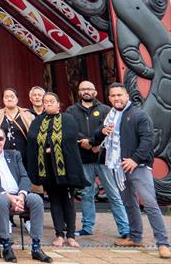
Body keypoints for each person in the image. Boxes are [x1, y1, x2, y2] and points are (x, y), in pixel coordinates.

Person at [95, 83, 170, 259]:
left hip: (138, 167)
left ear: (127, 96)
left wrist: (135, 159)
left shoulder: (139, 115)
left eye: (119, 95)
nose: (116, 98)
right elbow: (98, 134)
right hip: (118, 167)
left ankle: (163, 243)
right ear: (109, 98)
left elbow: (147, 141)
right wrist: (102, 131)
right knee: (129, 203)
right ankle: (135, 237)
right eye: (113, 96)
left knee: (150, 204)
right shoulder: (110, 116)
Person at [66, 80, 129, 238]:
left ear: (95, 92)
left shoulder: (106, 110)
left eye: (89, 89)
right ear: (79, 92)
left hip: (104, 158)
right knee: (87, 194)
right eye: (83, 89)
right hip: (83, 158)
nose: (86, 91)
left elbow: (111, 129)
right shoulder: (71, 110)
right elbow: (70, 130)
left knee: (113, 193)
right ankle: (87, 227)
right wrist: (85, 142)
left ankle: (125, 229)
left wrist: (96, 143)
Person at [0, 127, 52, 263]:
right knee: (1, 200)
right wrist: (10, 197)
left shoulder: (14, 154)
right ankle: (6, 246)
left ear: (5, 140)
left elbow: (24, 177)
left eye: (0, 138)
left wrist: (21, 196)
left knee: (36, 199)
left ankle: (36, 247)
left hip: (18, 194)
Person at [26, 92, 88, 249]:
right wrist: (48, 147)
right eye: (45, 102)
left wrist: (51, 148)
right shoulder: (38, 121)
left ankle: (71, 235)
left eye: (51, 101)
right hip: (47, 169)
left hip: (66, 168)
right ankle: (59, 234)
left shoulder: (67, 119)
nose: (48, 104)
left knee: (68, 201)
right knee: (54, 201)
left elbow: (69, 138)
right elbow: (33, 138)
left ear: (58, 104)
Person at [0, 88, 34, 159]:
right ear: (3, 99)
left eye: (12, 96)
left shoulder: (27, 115)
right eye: (6, 97)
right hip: (3, 157)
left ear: (17, 99)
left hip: (25, 156)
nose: (9, 99)